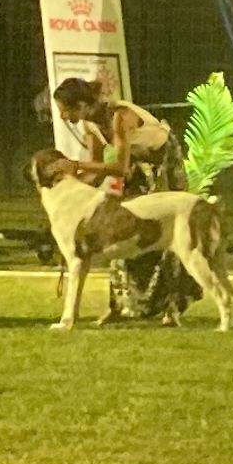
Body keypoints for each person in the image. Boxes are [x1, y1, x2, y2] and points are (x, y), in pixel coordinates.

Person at [52, 77, 200, 325]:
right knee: (119, 231)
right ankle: (119, 306)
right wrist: (67, 192)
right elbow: (96, 172)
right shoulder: (90, 126)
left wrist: (76, 165)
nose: (63, 116)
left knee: (171, 235)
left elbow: (119, 167)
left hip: (164, 165)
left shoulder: (120, 116)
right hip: (138, 168)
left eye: (65, 110)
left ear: (81, 104)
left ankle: (173, 308)